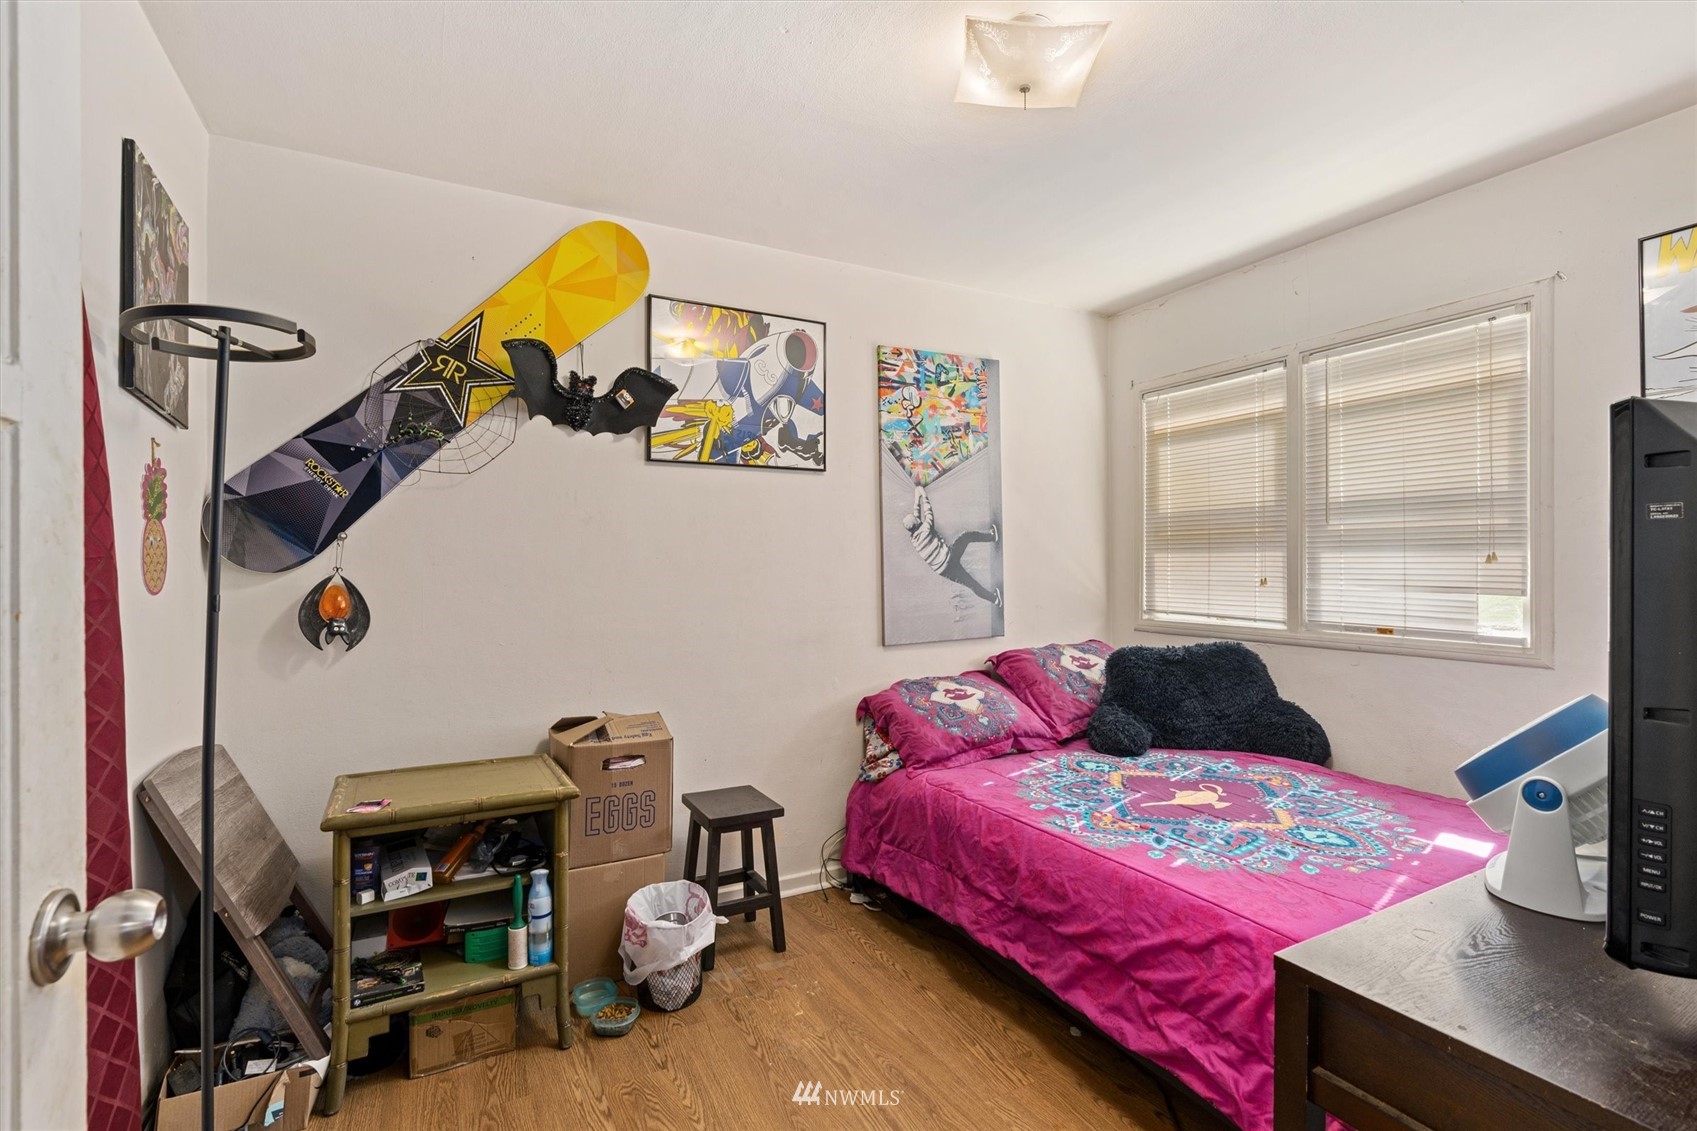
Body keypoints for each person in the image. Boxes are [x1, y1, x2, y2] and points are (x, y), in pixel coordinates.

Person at [901, 484, 1001, 607]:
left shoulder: (914, 539)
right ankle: (992, 536)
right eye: (915, 519)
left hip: (944, 571)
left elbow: (916, 517)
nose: (916, 518)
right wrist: (923, 494)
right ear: (916, 524)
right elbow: (928, 512)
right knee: (966, 536)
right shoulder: (926, 529)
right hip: (949, 558)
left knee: (971, 584)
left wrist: (917, 495)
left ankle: (995, 600)